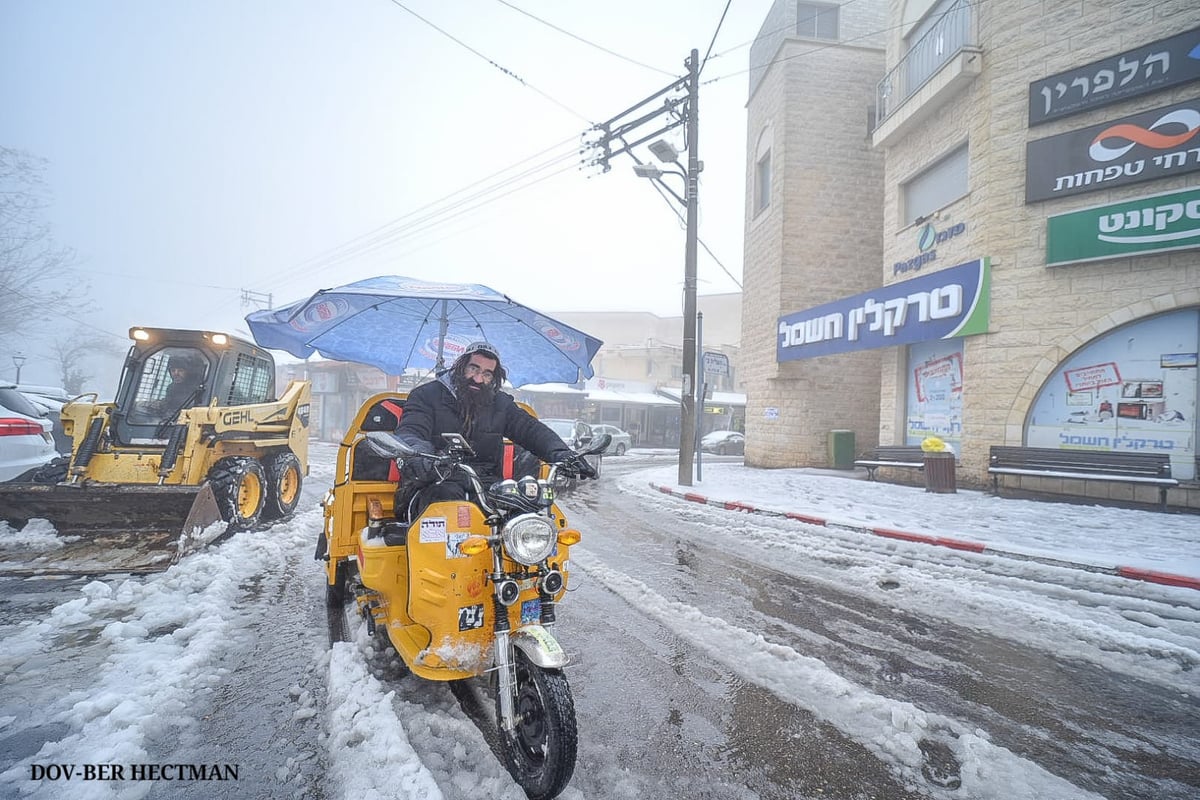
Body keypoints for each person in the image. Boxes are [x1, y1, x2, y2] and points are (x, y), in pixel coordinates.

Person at [393, 341, 596, 518]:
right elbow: (410, 432)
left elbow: (530, 429)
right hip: (432, 480)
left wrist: (562, 453)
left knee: (522, 507)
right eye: (473, 369)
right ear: (460, 366)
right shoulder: (425, 396)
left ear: (494, 377)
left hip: (485, 483)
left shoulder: (499, 404)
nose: (478, 379)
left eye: (487, 374)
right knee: (447, 498)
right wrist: (423, 457)